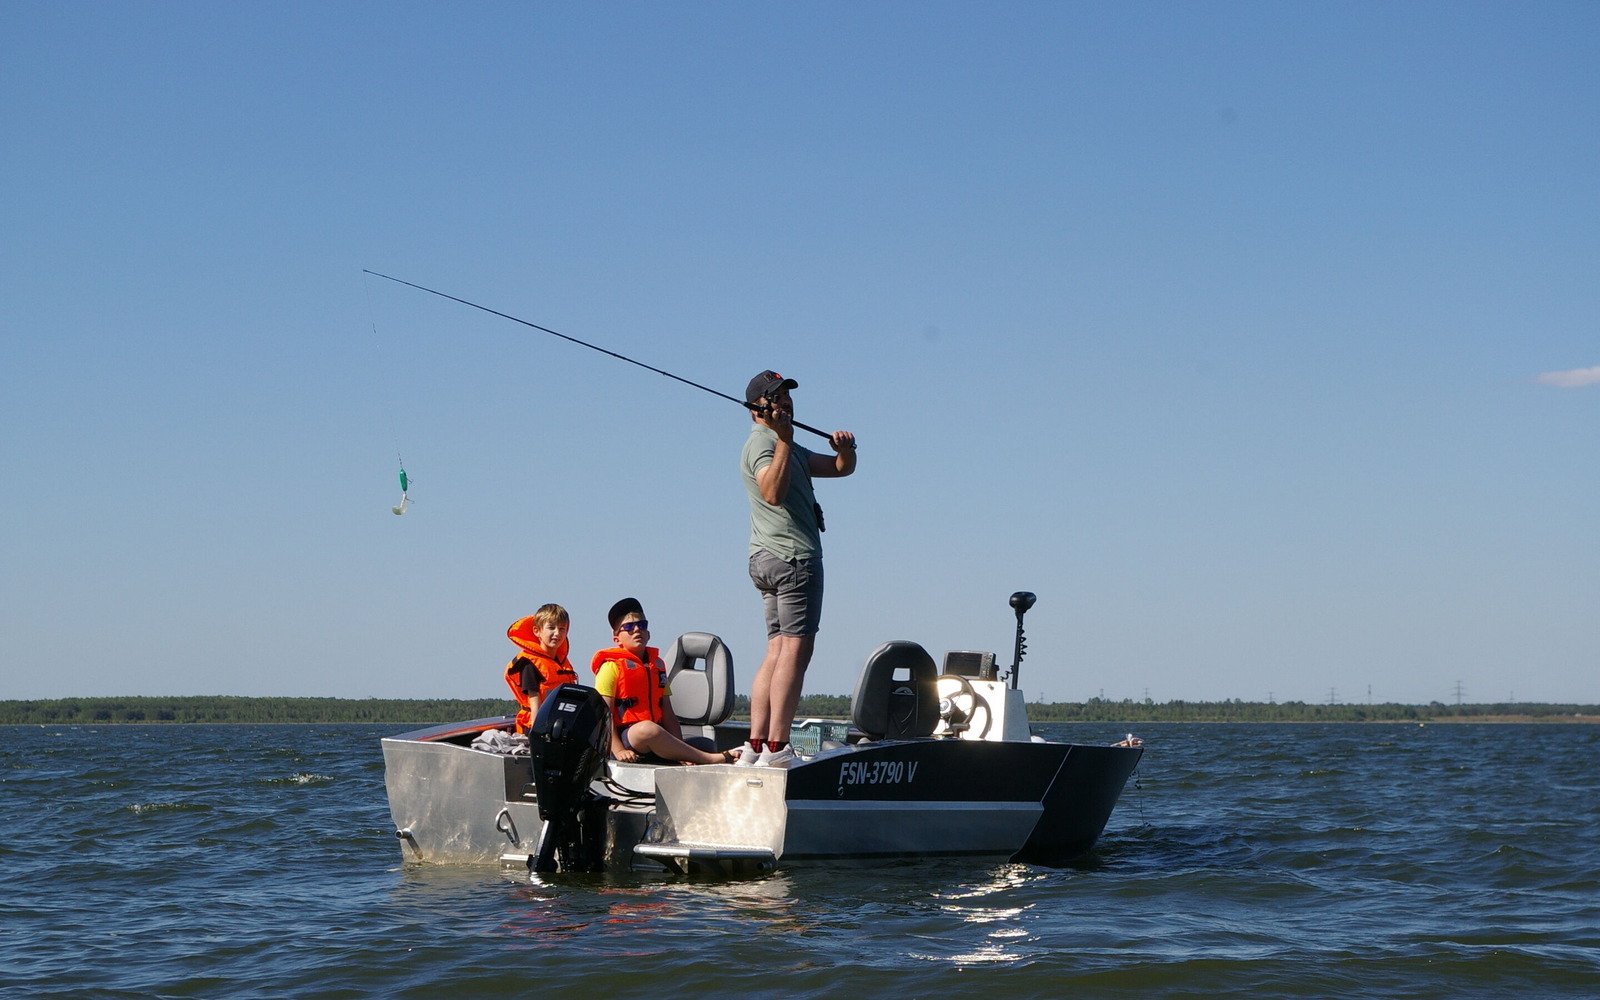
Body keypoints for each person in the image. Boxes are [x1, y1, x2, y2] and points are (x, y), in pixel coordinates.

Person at [738, 370, 857, 767]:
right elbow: (772, 492)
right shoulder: (764, 444)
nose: (784, 402)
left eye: (787, 395)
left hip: (770, 559)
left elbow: (840, 469)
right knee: (794, 650)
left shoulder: (787, 444)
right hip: (792, 558)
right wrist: (785, 440)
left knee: (776, 649)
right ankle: (776, 748)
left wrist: (846, 449)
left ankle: (755, 746)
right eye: (775, 397)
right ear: (757, 408)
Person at [591, 598, 735, 765]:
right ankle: (709, 759)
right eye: (629, 627)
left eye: (642, 625)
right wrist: (618, 750)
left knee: (703, 743)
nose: (637, 629)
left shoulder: (657, 666)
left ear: (648, 634)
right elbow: (603, 715)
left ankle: (693, 756)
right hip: (626, 738)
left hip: (654, 734)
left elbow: (668, 714)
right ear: (617, 639)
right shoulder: (610, 667)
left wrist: (681, 752)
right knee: (647, 729)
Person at [504, 603, 577, 734]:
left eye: (562, 629)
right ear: (537, 631)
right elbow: (535, 703)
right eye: (551, 628)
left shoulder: (562, 663)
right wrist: (537, 733)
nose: (557, 633)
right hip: (537, 726)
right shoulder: (529, 664)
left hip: (559, 724)